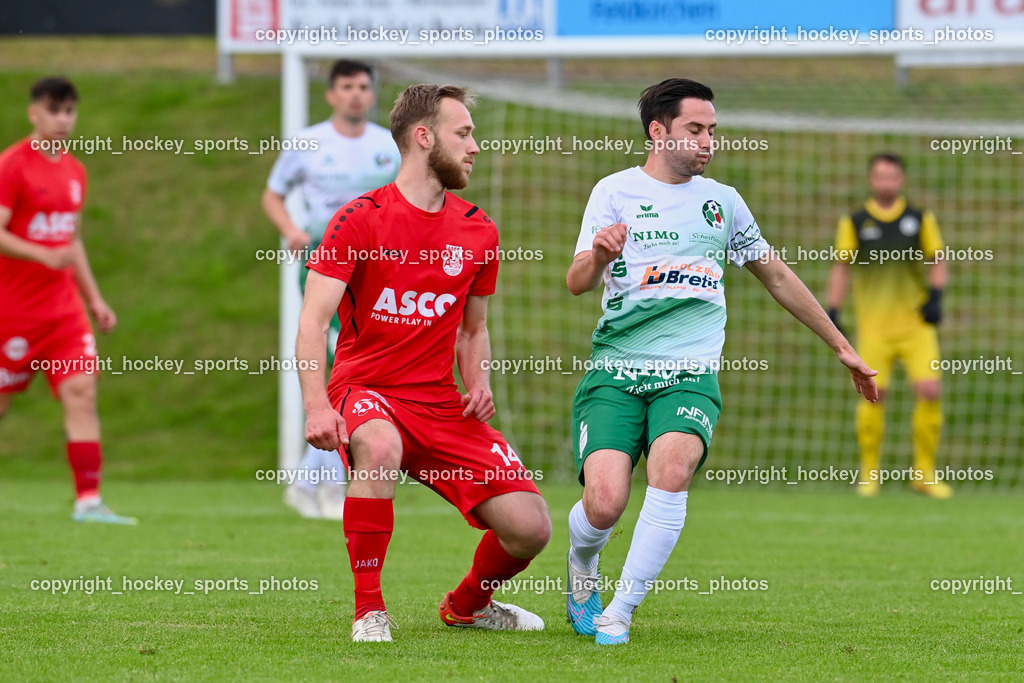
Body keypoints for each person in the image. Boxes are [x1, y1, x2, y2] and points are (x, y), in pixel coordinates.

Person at [564, 78, 878, 645]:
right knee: (605, 503)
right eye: (695, 129)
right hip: (616, 371)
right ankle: (582, 566)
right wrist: (601, 256)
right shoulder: (613, 192)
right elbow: (576, 281)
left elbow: (776, 274)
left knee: (672, 471)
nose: (708, 140)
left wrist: (841, 345)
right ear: (658, 132)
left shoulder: (723, 203)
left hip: (689, 375)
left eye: (712, 130)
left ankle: (621, 611)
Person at [296, 84, 551, 642]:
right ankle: (369, 611)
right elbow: (312, 324)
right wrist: (316, 405)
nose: (475, 147)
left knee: (531, 529)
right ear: (423, 136)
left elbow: (474, 328)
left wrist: (477, 381)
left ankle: (468, 606)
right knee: (380, 447)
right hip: (366, 390)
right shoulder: (358, 220)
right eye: (464, 134)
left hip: (437, 401)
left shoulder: (479, 229)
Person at [262, 59, 401, 520]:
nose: (356, 94)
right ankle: (332, 481)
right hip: (325, 257)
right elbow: (272, 193)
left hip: (378, 264)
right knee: (343, 363)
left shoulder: (388, 145)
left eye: (364, 86)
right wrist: (290, 230)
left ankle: (308, 480)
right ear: (331, 94)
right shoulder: (308, 142)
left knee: (355, 366)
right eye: (347, 86)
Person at [0, 77, 136, 525]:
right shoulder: (12, 166)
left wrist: (95, 298)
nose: (63, 120)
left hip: (63, 310)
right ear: (33, 113)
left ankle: (89, 501)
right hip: (12, 311)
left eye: (70, 112)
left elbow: (72, 240)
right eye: (54, 111)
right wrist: (43, 253)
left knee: (81, 390)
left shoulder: (75, 170)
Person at [827, 153, 951, 499]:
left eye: (892, 176)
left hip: (916, 327)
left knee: (929, 390)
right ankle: (870, 474)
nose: (886, 182)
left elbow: (938, 259)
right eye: (880, 176)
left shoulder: (919, 218)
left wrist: (936, 296)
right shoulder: (855, 221)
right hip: (874, 329)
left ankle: (924, 474)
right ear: (871, 179)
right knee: (874, 397)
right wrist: (832, 310)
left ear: (902, 180)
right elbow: (841, 267)